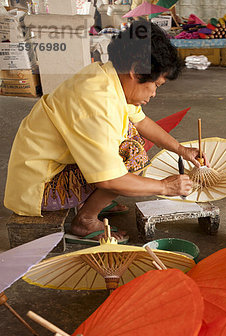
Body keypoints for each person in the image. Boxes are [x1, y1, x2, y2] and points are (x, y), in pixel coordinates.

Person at [4, 20, 203, 243]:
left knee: (129, 132)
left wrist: (181, 149)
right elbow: (110, 179)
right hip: (42, 187)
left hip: (49, 165)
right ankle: (85, 220)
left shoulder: (107, 77)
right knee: (133, 153)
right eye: (156, 85)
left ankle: (94, 200)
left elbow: (141, 121)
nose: (154, 93)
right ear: (136, 71)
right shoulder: (97, 101)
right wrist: (165, 187)